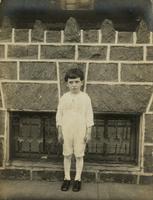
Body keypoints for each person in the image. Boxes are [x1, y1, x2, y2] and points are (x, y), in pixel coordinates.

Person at [56, 68, 94, 192]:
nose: (74, 85)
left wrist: (88, 133)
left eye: (76, 82)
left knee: (79, 155)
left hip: (80, 130)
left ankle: (77, 179)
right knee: (67, 155)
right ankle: (67, 178)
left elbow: (89, 115)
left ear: (82, 82)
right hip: (67, 130)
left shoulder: (85, 98)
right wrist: (60, 131)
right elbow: (59, 115)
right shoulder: (64, 97)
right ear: (67, 84)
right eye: (71, 82)